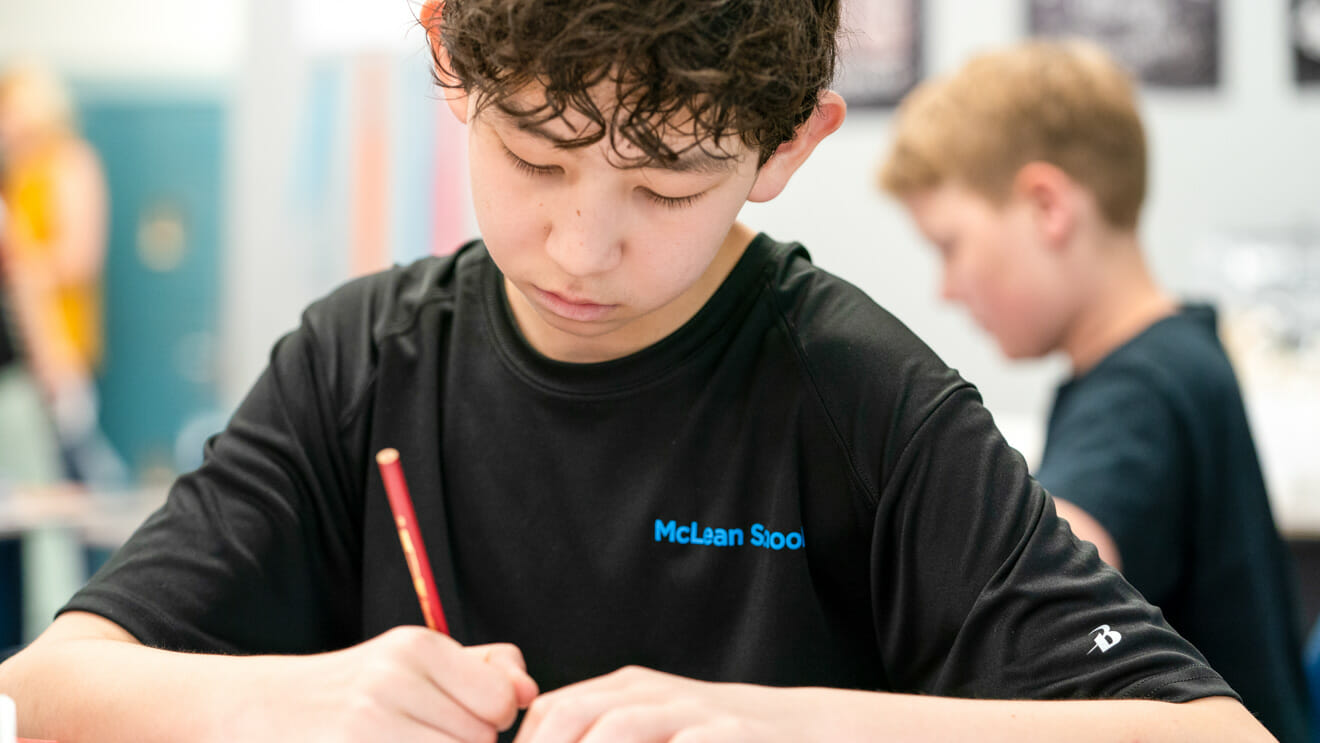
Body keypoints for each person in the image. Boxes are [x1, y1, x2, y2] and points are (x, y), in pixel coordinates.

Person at [0, 5, 1272, 741]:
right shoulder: (361, 363)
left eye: (667, 184)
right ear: (446, 47)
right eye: (537, 158)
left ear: (786, 146)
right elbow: (49, 686)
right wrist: (307, 696)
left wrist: (785, 722)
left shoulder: (859, 395)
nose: (580, 245)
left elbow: (1213, 734)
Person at [878, 39, 1308, 742]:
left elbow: (1035, 599)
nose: (946, 288)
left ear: (1048, 207)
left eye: (950, 245)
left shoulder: (1134, 395)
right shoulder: (1180, 349)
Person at [0, 62, 125, 488]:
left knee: (71, 474)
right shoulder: (18, 174)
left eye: (9, 109)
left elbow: (77, 259)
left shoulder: (70, 164)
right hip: (22, 355)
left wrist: (22, 265)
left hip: (61, 349)